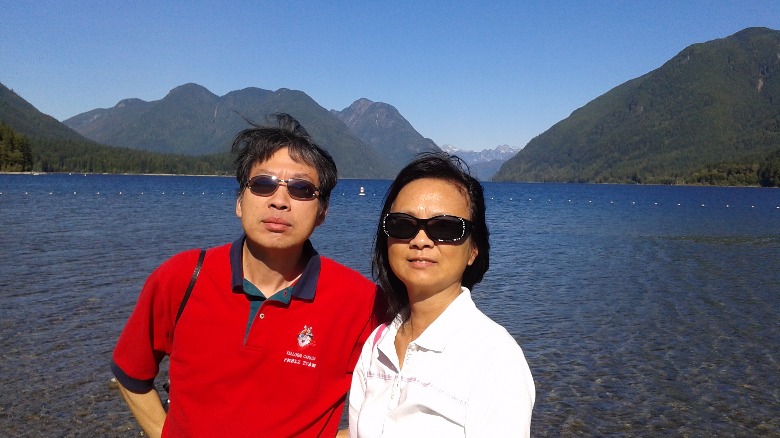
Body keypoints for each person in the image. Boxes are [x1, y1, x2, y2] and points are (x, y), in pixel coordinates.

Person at [112, 113, 383, 437]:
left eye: (301, 189)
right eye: (263, 184)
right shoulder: (182, 277)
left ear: (322, 212)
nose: (279, 201)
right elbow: (131, 374)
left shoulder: (361, 302)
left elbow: (402, 401)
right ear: (239, 201)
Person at [348, 152, 535, 437]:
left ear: (474, 250)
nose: (420, 240)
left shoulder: (494, 357)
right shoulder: (377, 345)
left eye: (445, 227)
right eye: (402, 224)